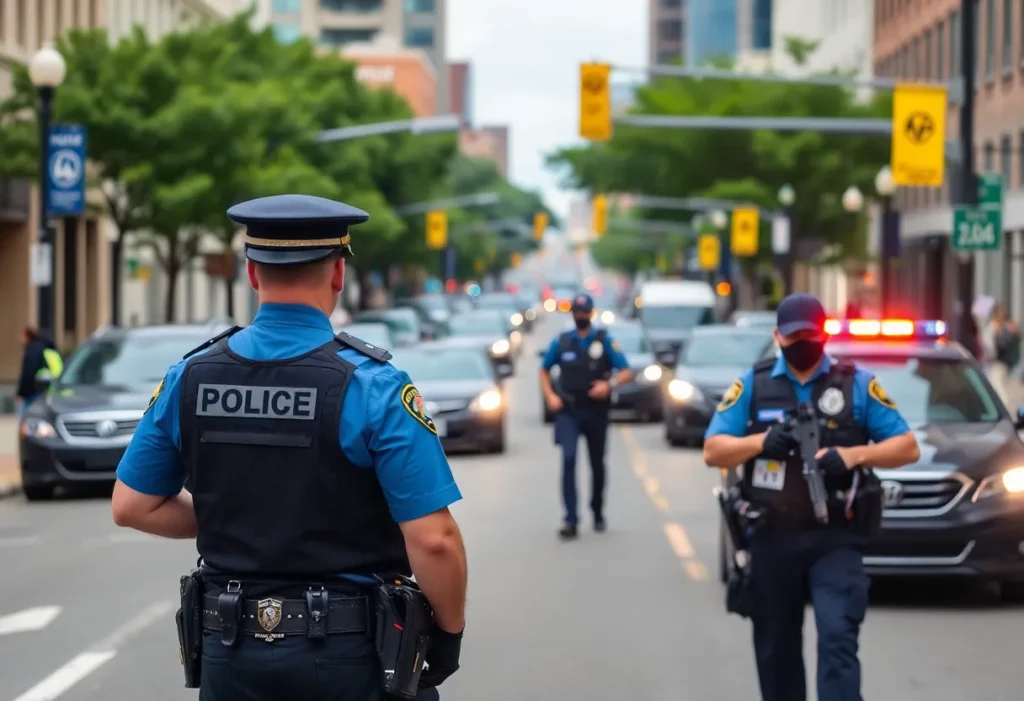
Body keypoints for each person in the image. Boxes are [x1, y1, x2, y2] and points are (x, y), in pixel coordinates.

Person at [110, 194, 467, 701]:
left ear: (252, 275)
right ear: (338, 274)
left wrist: (234, 511)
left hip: (229, 654)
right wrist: (447, 637)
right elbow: (434, 540)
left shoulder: (188, 377)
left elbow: (132, 505)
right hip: (350, 660)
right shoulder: (373, 384)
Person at [702, 293, 920, 701]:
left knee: (837, 634)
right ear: (777, 336)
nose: (803, 343)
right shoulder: (755, 382)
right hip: (773, 535)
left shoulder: (855, 383)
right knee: (776, 649)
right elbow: (713, 450)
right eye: (794, 335)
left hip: (835, 534)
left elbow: (907, 447)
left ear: (825, 333)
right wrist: (761, 441)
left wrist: (854, 455)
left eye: (811, 334)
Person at [540, 293, 632, 539]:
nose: (580, 316)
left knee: (597, 464)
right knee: (568, 460)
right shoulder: (562, 341)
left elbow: (625, 371)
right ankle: (570, 518)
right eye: (577, 312)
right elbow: (544, 369)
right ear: (572, 314)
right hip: (568, 411)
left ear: (591, 313)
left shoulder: (604, 341)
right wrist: (550, 396)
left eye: (584, 312)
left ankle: (598, 511)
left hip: (595, 411)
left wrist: (609, 385)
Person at [15, 327, 62, 419]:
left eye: (21, 336)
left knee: (28, 421)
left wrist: (21, 393)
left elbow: (28, 373)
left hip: (35, 391)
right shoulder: (47, 348)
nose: (20, 339)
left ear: (27, 336)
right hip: (52, 389)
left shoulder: (33, 350)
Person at [981, 304, 1020, 407]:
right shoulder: (1007, 327)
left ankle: (1003, 407)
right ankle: (1003, 406)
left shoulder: (996, 327)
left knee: (997, 386)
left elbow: (988, 346)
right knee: (1000, 384)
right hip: (1004, 363)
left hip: (997, 362)